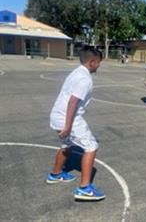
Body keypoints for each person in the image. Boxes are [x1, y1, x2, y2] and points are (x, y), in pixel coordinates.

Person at [47, 46, 105, 201]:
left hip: (57, 115)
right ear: (92, 62)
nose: (99, 66)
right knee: (91, 146)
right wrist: (67, 126)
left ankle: (55, 174)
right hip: (68, 119)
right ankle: (84, 188)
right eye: (99, 62)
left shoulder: (77, 72)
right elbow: (73, 102)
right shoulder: (85, 78)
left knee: (67, 145)